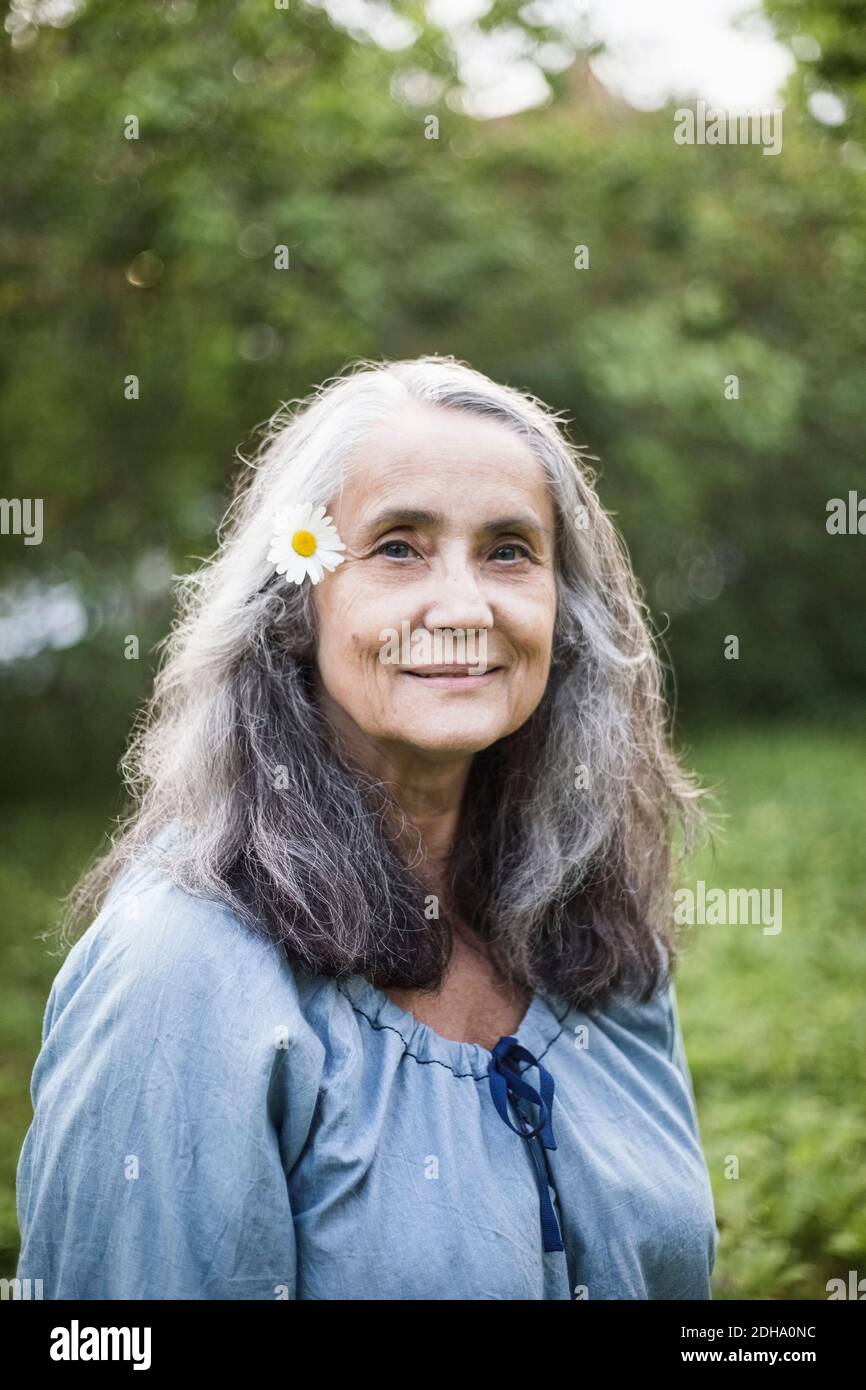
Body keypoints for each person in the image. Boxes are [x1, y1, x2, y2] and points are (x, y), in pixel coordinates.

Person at [16, 354, 719, 1299]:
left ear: (565, 608)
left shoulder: (591, 924)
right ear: (297, 603)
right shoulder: (179, 972)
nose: (465, 609)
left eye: (510, 550)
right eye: (398, 547)